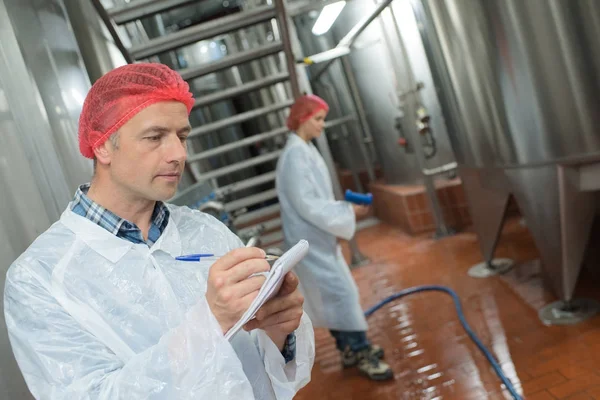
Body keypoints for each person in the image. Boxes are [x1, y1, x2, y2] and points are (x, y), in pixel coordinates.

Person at [4, 63, 315, 399]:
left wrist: (281, 332)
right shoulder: (39, 278)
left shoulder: (206, 231)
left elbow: (264, 371)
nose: (179, 154)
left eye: (182, 136)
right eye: (155, 137)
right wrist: (208, 324)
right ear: (103, 145)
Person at [275, 95, 393, 381]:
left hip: (317, 239)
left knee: (332, 296)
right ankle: (361, 351)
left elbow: (313, 201)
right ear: (302, 119)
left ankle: (349, 349)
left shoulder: (303, 149)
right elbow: (309, 203)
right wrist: (345, 211)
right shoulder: (295, 155)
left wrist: (342, 212)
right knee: (342, 295)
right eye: (317, 119)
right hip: (310, 242)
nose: (322, 125)